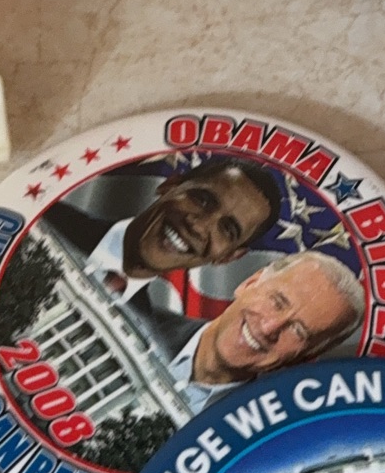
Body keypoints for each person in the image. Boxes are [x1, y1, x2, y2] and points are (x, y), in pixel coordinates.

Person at [130, 251, 364, 411]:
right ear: (250, 283)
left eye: (298, 331)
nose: (269, 327)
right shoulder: (127, 320)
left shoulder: (262, 446)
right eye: (277, 302)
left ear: (307, 355)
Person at [42, 157, 283, 300]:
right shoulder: (45, 219)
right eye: (202, 200)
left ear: (228, 257)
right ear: (170, 185)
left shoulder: (151, 339)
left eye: (227, 230)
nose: (197, 225)